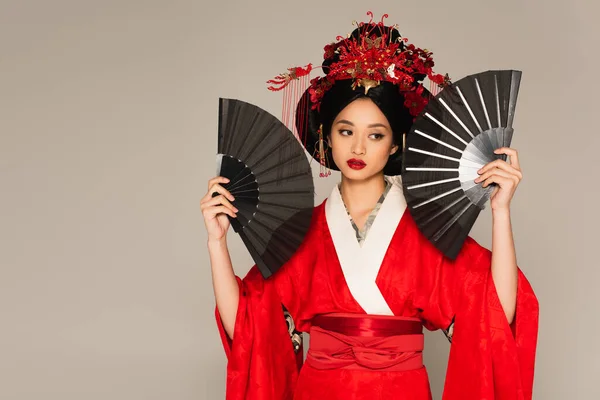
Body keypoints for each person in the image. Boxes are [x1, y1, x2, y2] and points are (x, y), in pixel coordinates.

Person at [202, 12, 539, 400]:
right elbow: (247, 325)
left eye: (375, 134)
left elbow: (496, 312)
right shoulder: (302, 231)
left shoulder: (427, 228)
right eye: (346, 131)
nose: (358, 148)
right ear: (327, 137)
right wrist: (217, 244)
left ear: (396, 144)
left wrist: (500, 212)